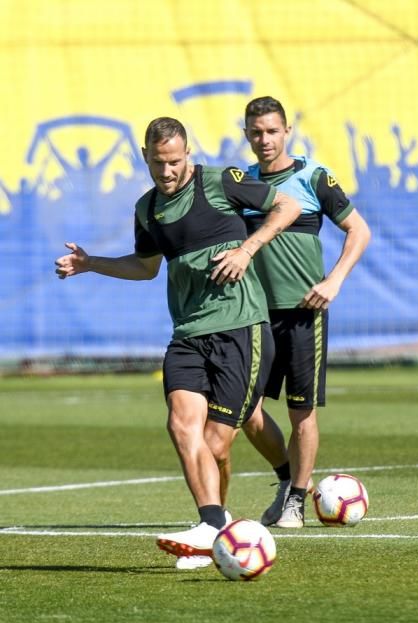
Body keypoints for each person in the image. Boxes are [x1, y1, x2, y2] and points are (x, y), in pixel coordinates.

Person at [54, 116, 301, 564]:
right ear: (145, 157)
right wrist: (92, 264)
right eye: (156, 163)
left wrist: (247, 249)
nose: (166, 172)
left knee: (217, 442)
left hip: (240, 328)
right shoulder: (147, 209)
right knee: (180, 425)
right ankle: (212, 525)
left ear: (187, 153)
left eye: (173, 162)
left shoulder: (221, 182)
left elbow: (287, 206)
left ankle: (248, 507)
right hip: (187, 334)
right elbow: (146, 268)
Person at [238, 96, 371, 528]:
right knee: (245, 410)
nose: (264, 140)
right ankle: (285, 480)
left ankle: (297, 499)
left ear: (287, 131)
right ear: (247, 135)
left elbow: (359, 230)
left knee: (302, 413)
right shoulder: (242, 184)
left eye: (272, 131)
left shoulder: (313, 176)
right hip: (254, 315)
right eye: (256, 132)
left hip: (302, 313)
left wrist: (333, 281)